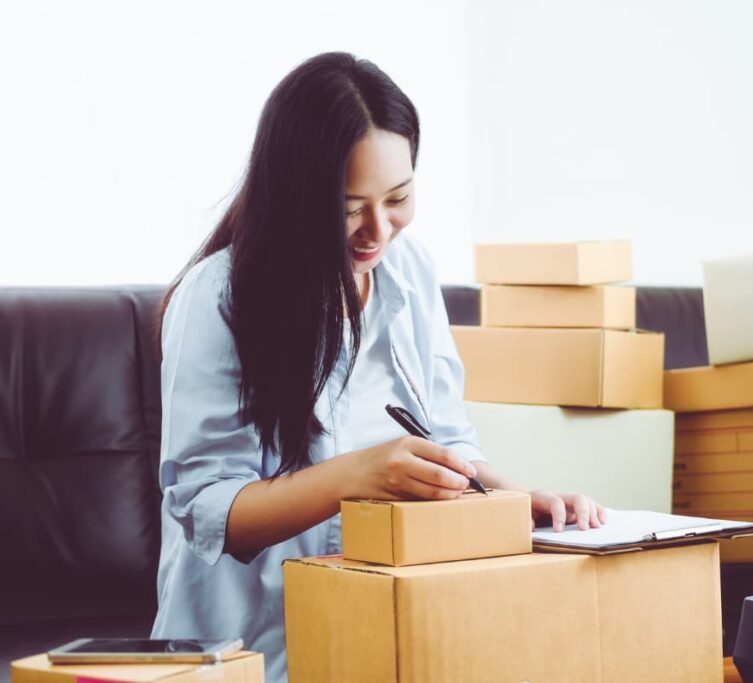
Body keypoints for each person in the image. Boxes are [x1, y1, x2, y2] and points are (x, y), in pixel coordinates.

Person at [151, 51, 606, 682]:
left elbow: (446, 438)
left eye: (398, 198)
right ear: (293, 196)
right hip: (251, 651)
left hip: (382, 632)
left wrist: (511, 498)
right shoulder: (218, 297)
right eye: (345, 207)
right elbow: (209, 508)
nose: (376, 231)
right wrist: (357, 475)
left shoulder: (409, 271)